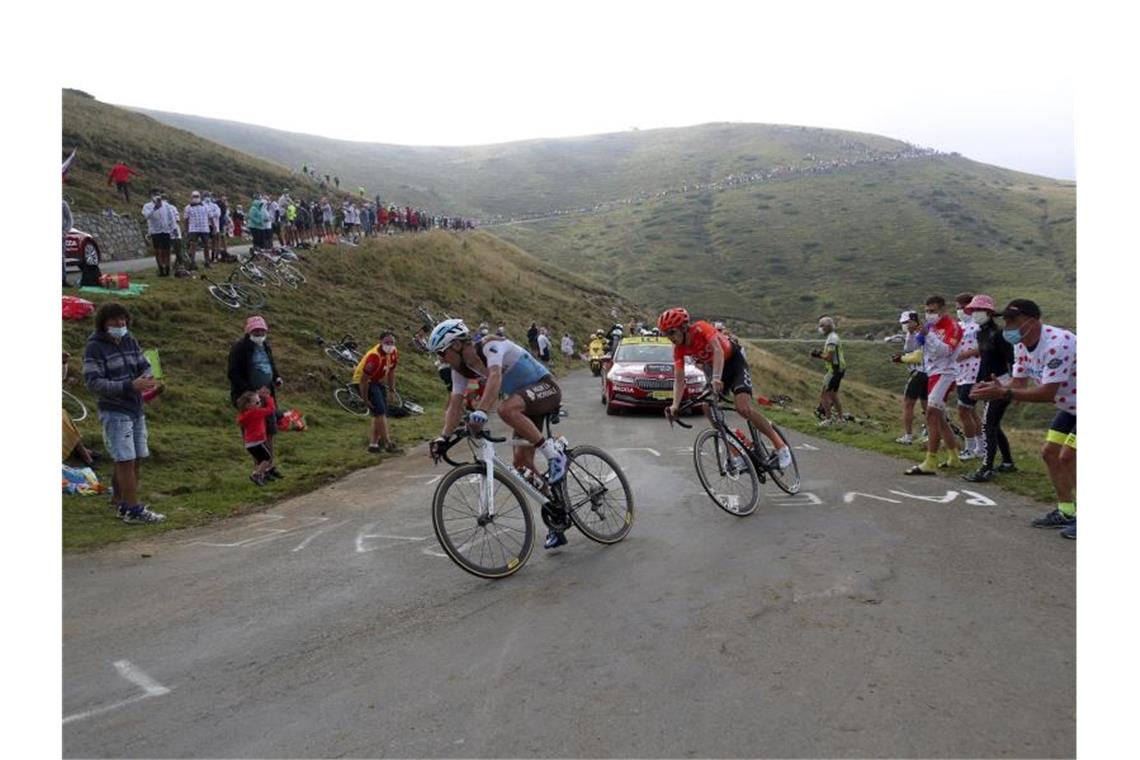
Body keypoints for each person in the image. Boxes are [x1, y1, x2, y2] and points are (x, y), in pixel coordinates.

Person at [427, 318, 570, 549]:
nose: (440, 360)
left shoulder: (488, 346)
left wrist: (482, 411)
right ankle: (556, 514)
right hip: (525, 401)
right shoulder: (460, 370)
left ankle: (555, 456)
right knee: (522, 465)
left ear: (455, 345)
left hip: (546, 388)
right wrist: (443, 437)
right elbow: (454, 405)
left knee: (505, 409)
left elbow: (495, 376)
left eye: (441, 353)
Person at [971, 299, 1076, 539]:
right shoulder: (1021, 344)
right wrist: (997, 386)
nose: (1006, 326)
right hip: (1070, 406)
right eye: (1005, 320)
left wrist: (1004, 393)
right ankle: (1067, 511)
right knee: (1050, 453)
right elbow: (1018, 383)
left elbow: (1047, 393)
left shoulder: (1058, 343)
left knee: (1068, 456)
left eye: (1012, 320)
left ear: (1032, 321)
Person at [658, 307, 793, 468]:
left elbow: (718, 350)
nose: (670, 337)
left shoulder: (701, 328)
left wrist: (716, 378)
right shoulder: (678, 349)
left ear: (684, 327)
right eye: (665, 334)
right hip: (713, 367)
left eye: (672, 332)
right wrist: (675, 404)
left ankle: (781, 447)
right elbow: (679, 378)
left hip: (733, 362)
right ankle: (738, 449)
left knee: (743, 407)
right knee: (708, 408)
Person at [83, 302, 165, 524]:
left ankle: (122, 503)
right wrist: (129, 386)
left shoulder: (130, 340)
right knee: (125, 459)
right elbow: (93, 382)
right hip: (114, 409)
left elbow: (143, 364)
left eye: (123, 319)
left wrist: (147, 379)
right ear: (103, 323)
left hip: (135, 407)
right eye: (114, 320)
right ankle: (133, 509)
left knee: (135, 457)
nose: (120, 324)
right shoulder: (95, 347)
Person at [900, 296, 963, 475]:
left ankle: (931, 460)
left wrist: (929, 336)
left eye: (933, 311)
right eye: (927, 311)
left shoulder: (953, 327)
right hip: (931, 373)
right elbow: (917, 349)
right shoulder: (928, 326)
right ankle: (954, 457)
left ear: (943, 310)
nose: (929, 315)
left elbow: (946, 351)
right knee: (940, 418)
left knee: (931, 414)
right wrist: (912, 334)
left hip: (947, 373)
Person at [961, 294, 1017, 483]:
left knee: (988, 425)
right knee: (993, 424)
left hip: (1000, 383)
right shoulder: (980, 333)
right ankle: (1007, 462)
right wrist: (977, 382)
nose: (975, 314)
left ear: (989, 312)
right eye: (973, 310)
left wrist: (1011, 386)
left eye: (979, 310)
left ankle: (987, 468)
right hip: (986, 383)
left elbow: (1012, 361)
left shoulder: (1000, 334)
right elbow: (984, 360)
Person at [227, 316, 285, 479]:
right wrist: (250, 392)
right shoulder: (240, 348)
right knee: (256, 435)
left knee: (270, 431)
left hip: (267, 396)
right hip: (250, 400)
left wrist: (277, 378)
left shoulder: (265, 345)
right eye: (256, 330)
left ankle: (270, 467)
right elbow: (233, 373)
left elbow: (271, 365)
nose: (259, 333)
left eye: (262, 330)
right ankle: (260, 470)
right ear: (248, 331)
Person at [352, 331, 403, 454]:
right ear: (380, 342)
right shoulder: (374, 356)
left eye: (392, 342)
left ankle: (373, 445)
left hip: (377, 381)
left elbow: (391, 372)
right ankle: (387, 443)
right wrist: (365, 399)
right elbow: (363, 380)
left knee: (379, 412)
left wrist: (391, 390)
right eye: (387, 342)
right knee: (380, 412)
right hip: (364, 382)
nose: (389, 345)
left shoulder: (393, 352)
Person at [952, 292, 984, 460]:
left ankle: (970, 448)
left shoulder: (977, 325)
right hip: (960, 373)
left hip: (974, 371)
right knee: (970, 411)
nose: (960, 311)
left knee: (963, 410)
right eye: (957, 308)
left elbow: (984, 346)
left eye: (962, 308)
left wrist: (966, 354)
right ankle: (980, 447)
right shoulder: (958, 326)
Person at [891, 311, 928, 444]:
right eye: (903, 323)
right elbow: (910, 352)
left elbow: (917, 356)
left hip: (919, 372)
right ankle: (929, 431)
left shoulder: (920, 333)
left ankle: (908, 436)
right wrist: (901, 356)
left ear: (915, 321)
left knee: (908, 404)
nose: (904, 325)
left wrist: (901, 359)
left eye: (907, 322)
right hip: (925, 372)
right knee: (925, 404)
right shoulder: (910, 334)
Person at [236, 388, 277, 485]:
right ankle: (256, 475)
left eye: (259, 401)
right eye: (257, 403)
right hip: (257, 442)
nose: (259, 404)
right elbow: (271, 409)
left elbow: (240, 420)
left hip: (249, 443)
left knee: (260, 461)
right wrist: (268, 398)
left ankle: (260, 477)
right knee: (267, 458)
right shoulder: (256, 413)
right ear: (249, 405)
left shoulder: (245, 414)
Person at [811, 315, 846, 426]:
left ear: (827, 327)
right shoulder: (833, 337)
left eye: (821, 325)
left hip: (834, 370)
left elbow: (830, 357)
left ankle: (828, 419)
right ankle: (840, 419)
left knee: (824, 395)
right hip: (837, 369)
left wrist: (819, 355)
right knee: (833, 395)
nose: (820, 328)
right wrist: (822, 354)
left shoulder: (832, 339)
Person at [142, 190, 177, 276]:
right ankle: (161, 269)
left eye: (158, 195)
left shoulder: (166, 205)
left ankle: (168, 269)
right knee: (158, 251)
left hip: (165, 230)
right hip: (155, 231)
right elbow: (146, 216)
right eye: (154, 195)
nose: (157, 197)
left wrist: (174, 228)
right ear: (151, 196)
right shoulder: (147, 206)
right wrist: (155, 208)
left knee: (167, 251)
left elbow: (171, 217)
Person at [182, 191, 211, 270]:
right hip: (193, 229)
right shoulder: (188, 207)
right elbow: (186, 220)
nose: (196, 198)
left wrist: (213, 227)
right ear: (191, 197)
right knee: (193, 245)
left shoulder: (205, 206)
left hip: (204, 228)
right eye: (194, 196)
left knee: (206, 245)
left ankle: (207, 262)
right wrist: (186, 230)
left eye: (197, 196)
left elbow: (210, 217)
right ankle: (192, 262)